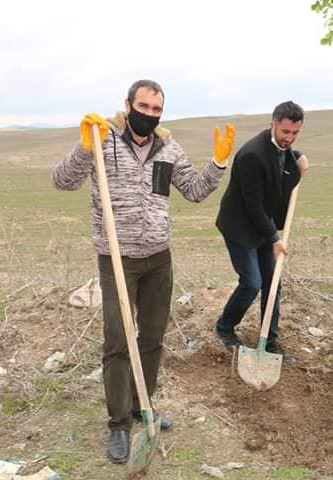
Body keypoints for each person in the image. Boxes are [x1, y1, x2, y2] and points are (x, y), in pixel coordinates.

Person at [52, 79, 235, 464]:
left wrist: (218, 163)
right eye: (144, 107)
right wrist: (84, 147)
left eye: (156, 110)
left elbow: (195, 190)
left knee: (152, 337)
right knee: (118, 340)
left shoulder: (169, 148)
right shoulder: (103, 139)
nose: (149, 115)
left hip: (158, 257)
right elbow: (62, 181)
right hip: (116, 258)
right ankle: (119, 424)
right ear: (128, 104)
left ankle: (142, 407)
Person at [214, 101, 307, 365]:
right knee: (252, 282)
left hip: (264, 224)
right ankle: (224, 327)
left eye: (294, 134)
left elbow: (282, 161)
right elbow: (252, 206)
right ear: (272, 125)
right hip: (241, 226)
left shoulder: (283, 149)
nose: (288, 138)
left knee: (273, 282)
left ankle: (270, 339)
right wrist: (275, 238)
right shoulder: (251, 155)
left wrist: (297, 157)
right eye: (285, 132)